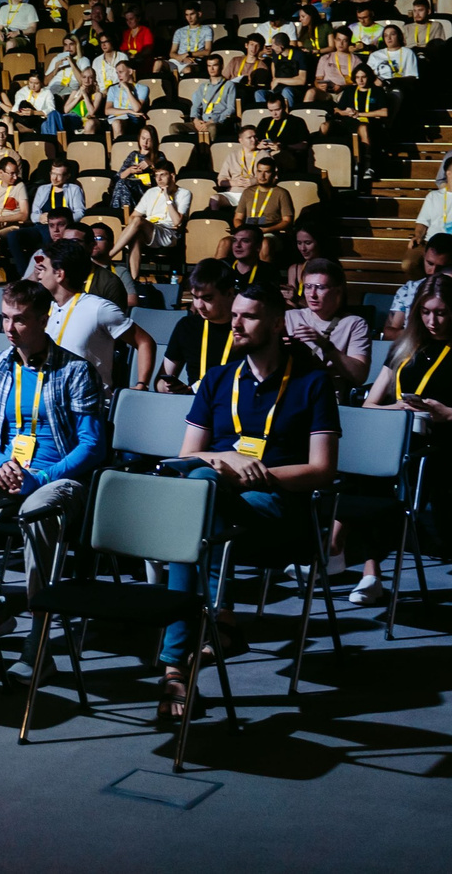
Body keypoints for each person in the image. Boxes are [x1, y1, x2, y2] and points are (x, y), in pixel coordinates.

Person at [154, 284, 340, 725]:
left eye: (248, 317)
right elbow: (188, 453)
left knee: (195, 503)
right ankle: (194, 649)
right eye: (234, 315)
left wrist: (260, 473)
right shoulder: (219, 378)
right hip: (217, 502)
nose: (235, 323)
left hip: (278, 507)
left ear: (277, 324)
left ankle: (181, 658)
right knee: (198, 490)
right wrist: (229, 460)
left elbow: (323, 471)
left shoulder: (312, 383)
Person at [0, 277, 105, 681]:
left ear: (43, 318)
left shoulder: (75, 370)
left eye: (19, 320)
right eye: (5, 318)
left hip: (58, 478)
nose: (10, 328)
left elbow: (91, 446)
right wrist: (0, 460)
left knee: (35, 512)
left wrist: (40, 477)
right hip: (8, 471)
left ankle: (39, 642)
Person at [344, 275, 452, 604]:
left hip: (443, 447)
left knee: (382, 479)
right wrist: (401, 407)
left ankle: (343, 552)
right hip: (397, 438)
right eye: (425, 312)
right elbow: (369, 404)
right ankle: (369, 573)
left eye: (440, 313)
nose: (432, 321)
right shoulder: (404, 347)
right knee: (362, 473)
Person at [28, 238, 151, 392]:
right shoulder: (45, 309)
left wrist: (142, 384)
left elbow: (144, 341)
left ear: (59, 274)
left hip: (91, 406)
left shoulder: (99, 308)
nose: (39, 275)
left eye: (44, 269)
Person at [284, 257, 370, 386]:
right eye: (308, 287)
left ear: (338, 291)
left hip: (330, 392)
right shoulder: (290, 317)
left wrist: (325, 345)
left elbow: (359, 376)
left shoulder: (354, 323)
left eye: (320, 287)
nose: (312, 294)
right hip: (292, 387)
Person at [158, 258, 239, 390]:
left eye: (207, 298)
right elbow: (161, 382)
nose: (199, 305)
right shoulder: (187, 327)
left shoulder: (245, 329)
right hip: (194, 403)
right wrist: (169, 388)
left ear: (229, 293)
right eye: (195, 297)